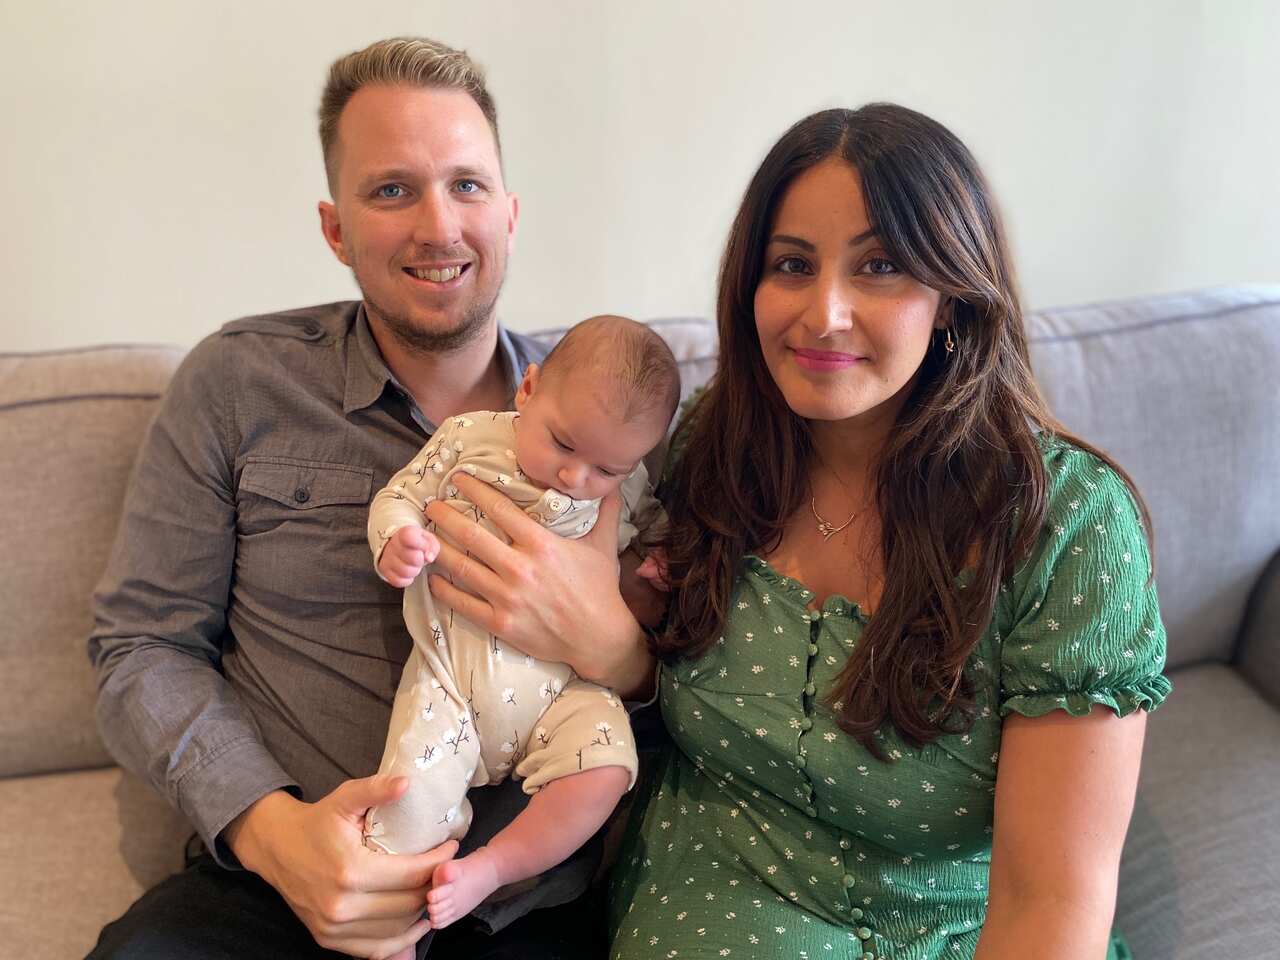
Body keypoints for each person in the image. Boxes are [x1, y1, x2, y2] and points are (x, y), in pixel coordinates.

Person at [87, 37, 656, 960]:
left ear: (510, 214)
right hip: (271, 889)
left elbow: (703, 670)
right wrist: (276, 837)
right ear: (335, 228)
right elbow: (138, 645)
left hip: (517, 907)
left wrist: (627, 655)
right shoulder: (238, 383)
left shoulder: (612, 423)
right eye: (392, 190)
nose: (439, 226)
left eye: (468, 186)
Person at [602, 104, 1173, 959]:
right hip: (691, 888)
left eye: (880, 267)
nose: (823, 313)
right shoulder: (709, 444)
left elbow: (1050, 905)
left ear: (952, 296)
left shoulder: (1068, 528)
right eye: (792, 264)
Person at [365, 315, 678, 932]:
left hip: (567, 686)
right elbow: (399, 495)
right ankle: (388, 934)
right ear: (528, 390)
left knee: (608, 769)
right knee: (405, 799)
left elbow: (654, 531)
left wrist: (660, 565)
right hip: (453, 676)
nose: (576, 477)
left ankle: (492, 867)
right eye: (563, 445)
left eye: (606, 470)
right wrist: (396, 540)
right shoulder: (468, 437)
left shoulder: (629, 484)